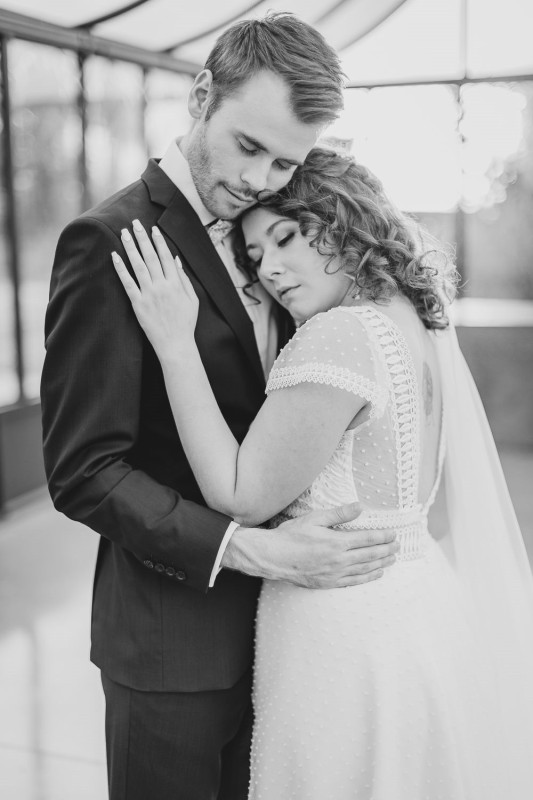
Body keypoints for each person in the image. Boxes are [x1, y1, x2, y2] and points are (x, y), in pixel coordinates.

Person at [40, 14, 399, 800]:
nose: (263, 178)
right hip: (171, 649)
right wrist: (249, 549)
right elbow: (84, 471)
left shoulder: (280, 232)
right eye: (248, 147)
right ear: (202, 94)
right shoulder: (109, 239)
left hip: (294, 641)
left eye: (285, 161)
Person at [114, 146, 533, 799]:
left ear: (341, 219)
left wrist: (174, 344)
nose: (271, 269)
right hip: (417, 606)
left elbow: (240, 496)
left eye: (285, 236)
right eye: (254, 258)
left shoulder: (340, 335)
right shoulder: (412, 320)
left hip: (344, 633)